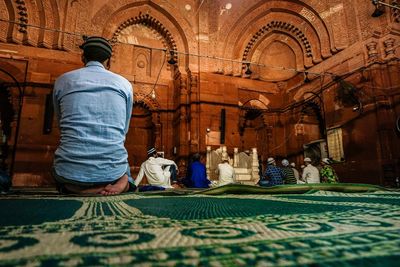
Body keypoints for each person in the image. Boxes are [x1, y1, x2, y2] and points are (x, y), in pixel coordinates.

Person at [52, 36, 134, 195]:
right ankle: (122, 181)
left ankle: (77, 188)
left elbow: (61, 122)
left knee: (62, 176)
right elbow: (124, 129)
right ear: (108, 61)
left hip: (68, 170)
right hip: (113, 169)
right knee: (124, 168)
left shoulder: (63, 81)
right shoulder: (124, 84)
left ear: (83, 57)